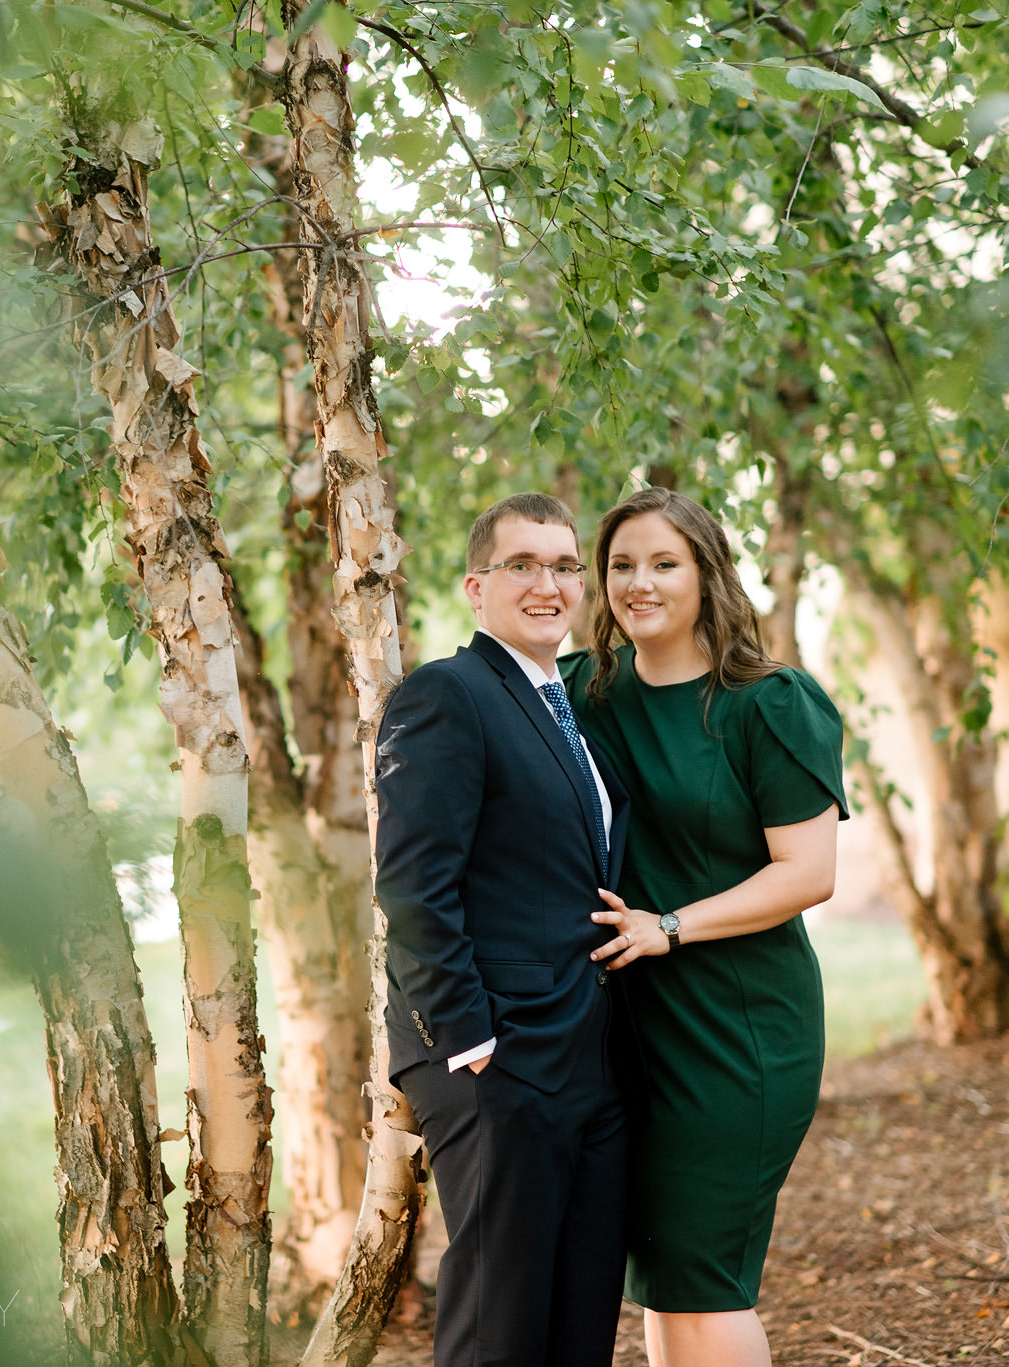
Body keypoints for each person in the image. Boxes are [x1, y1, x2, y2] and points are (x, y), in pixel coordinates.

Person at [559, 486, 847, 1367]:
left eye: (663, 563)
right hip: (630, 1031)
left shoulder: (768, 702)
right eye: (620, 565)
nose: (638, 582)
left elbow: (809, 873)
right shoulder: (582, 692)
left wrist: (670, 926)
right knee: (665, 1277)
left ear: (707, 574)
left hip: (740, 1027)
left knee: (705, 1271)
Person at [376, 491, 632, 1367]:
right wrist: (469, 1039)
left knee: (580, 1314)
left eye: (565, 566)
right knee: (500, 1321)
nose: (549, 583)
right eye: (523, 564)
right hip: (499, 1056)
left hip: (587, 1051)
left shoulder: (572, 710)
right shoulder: (448, 694)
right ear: (476, 587)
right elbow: (412, 883)